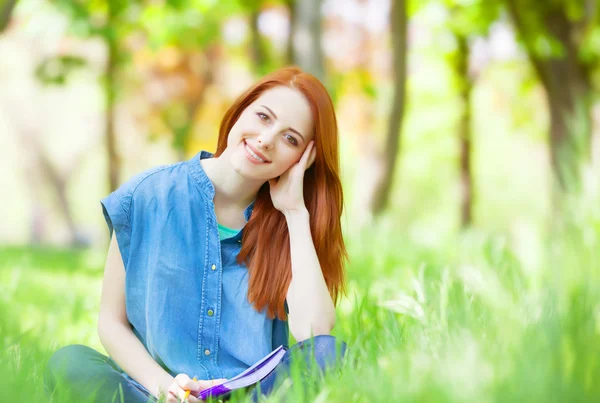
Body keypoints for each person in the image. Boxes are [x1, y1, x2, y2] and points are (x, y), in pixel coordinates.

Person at [45, 66, 348, 402]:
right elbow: (111, 323)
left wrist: (294, 213)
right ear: (240, 110)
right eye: (263, 117)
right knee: (70, 363)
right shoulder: (146, 196)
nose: (266, 139)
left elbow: (314, 334)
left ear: (304, 159)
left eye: (290, 138)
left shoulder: (290, 226)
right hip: (157, 395)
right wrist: (165, 387)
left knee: (327, 354)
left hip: (253, 397)